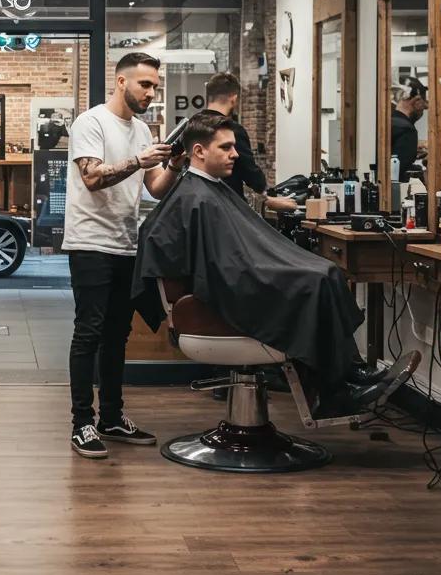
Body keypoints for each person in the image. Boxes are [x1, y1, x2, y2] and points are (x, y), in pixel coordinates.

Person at [131, 111, 417, 419]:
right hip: (221, 297)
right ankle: (336, 390)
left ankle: (349, 373)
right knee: (316, 279)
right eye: (225, 147)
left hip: (232, 283)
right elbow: (222, 266)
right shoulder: (196, 197)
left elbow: (232, 256)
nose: (235, 154)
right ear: (199, 152)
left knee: (325, 273)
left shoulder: (207, 190)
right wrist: (282, 270)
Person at [63, 52, 186, 459]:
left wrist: (174, 166)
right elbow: (92, 177)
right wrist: (138, 160)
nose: (152, 93)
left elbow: (154, 187)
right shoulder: (91, 122)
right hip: (89, 243)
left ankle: (111, 417)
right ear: (121, 81)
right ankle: (82, 422)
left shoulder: (143, 129)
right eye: (145, 85)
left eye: (155, 86)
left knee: (117, 335)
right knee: (89, 332)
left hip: (125, 243)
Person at [205, 72, 296, 213]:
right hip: (228, 206)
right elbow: (249, 171)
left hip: (199, 203)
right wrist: (265, 194)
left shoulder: (191, 127)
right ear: (234, 98)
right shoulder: (232, 130)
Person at [391, 78, 428, 179]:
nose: (425, 108)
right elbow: (400, 170)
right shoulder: (407, 130)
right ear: (417, 100)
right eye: (424, 102)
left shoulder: (388, 123)